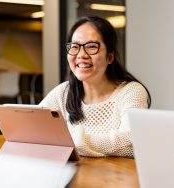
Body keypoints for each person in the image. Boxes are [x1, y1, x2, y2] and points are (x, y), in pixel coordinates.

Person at [39, 16, 151, 158]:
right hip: (72, 176)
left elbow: (132, 142)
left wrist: (79, 141)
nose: (81, 55)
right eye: (74, 47)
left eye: (92, 46)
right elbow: (33, 130)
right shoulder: (63, 92)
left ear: (110, 57)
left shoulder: (131, 92)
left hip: (115, 178)